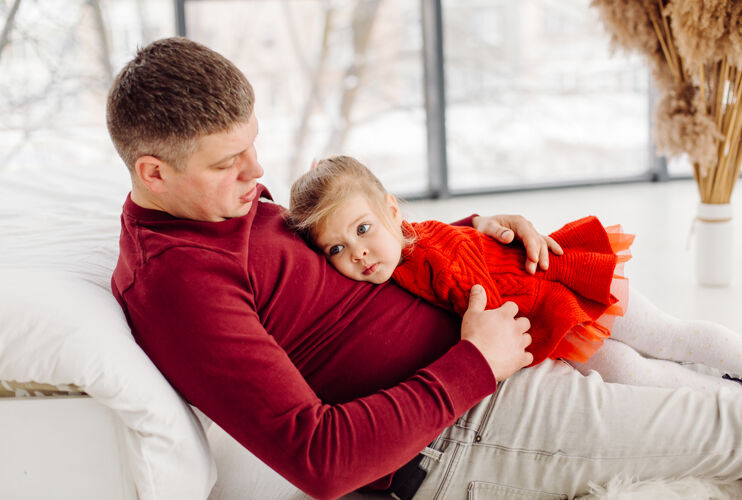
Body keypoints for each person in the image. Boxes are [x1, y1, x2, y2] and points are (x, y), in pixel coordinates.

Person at [107, 37, 742, 500]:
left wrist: (474, 239)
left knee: (703, 378)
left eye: (253, 145)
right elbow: (319, 459)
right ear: (153, 173)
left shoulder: (222, 208)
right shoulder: (177, 284)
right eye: (228, 163)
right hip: (464, 428)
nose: (258, 173)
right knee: (728, 429)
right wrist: (476, 363)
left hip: (496, 352)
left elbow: (355, 264)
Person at [288, 155, 742, 393]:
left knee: (666, 334)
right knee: (629, 372)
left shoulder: (423, 253)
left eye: (363, 229)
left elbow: (475, 287)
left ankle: (732, 365)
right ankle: (724, 398)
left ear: (390, 210)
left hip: (558, 280)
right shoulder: (402, 252)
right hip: (549, 324)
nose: (359, 253)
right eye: (337, 248)